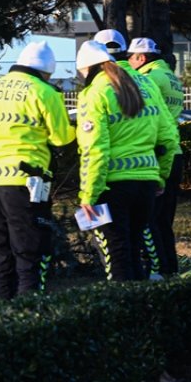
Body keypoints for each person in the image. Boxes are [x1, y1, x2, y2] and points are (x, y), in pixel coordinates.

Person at [0, 42, 75, 301]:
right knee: (28, 251)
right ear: (46, 72)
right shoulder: (44, 92)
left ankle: (2, 311)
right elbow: (62, 138)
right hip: (26, 183)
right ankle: (28, 312)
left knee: (0, 252)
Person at [75, 41, 177, 282]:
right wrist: (161, 176)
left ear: (88, 68)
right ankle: (140, 312)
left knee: (117, 256)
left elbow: (95, 148)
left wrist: (88, 194)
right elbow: (169, 136)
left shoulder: (95, 92)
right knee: (135, 248)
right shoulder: (146, 84)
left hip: (111, 187)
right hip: (147, 183)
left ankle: (121, 313)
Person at [127, 37, 186, 277]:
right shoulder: (171, 76)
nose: (128, 62)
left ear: (141, 58)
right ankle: (171, 269)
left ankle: (157, 270)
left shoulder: (149, 78)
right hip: (175, 150)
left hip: (158, 152)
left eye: (130, 57)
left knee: (150, 220)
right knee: (164, 221)